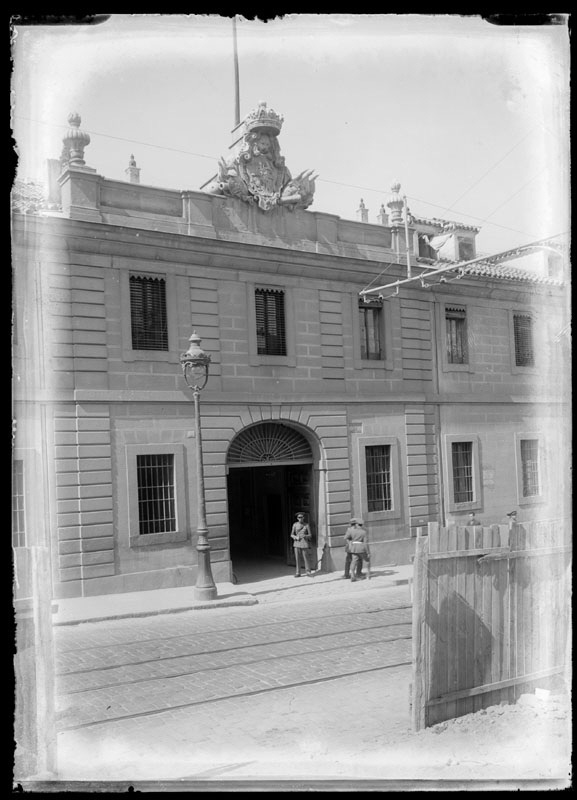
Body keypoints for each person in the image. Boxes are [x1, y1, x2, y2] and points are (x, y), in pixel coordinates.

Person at [290, 513, 314, 577]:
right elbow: (292, 534)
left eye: (301, 517)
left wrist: (305, 536)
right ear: (297, 518)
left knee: (306, 557)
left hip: (304, 542)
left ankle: (308, 571)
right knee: (297, 558)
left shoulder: (306, 525)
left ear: (304, 518)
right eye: (299, 517)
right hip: (297, 543)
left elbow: (310, 535)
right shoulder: (295, 525)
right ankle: (298, 572)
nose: (300, 518)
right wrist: (295, 537)